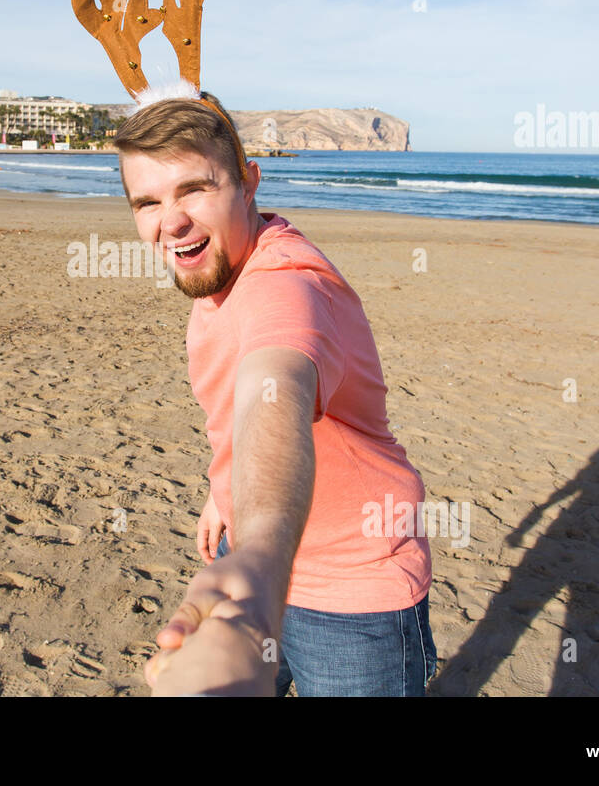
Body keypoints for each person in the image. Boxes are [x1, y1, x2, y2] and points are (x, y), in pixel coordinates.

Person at [117, 92, 436, 696]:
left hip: (350, 593)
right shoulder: (217, 263)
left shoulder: (287, 285)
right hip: (253, 568)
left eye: (193, 189)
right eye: (148, 202)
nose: (171, 221)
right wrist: (224, 494)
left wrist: (260, 557)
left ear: (249, 182)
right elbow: (238, 412)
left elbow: (276, 389)